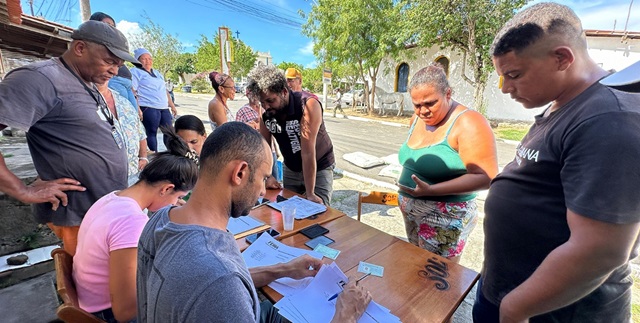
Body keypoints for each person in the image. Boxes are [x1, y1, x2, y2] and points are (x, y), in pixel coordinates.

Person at [473, 3, 640, 322]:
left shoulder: (609, 119)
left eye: (514, 75)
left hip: (552, 312)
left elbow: (600, 250)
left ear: (562, 58)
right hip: (511, 295)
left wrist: (516, 307)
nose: (506, 88)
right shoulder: (567, 105)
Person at [136, 122, 371, 322]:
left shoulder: (159, 219)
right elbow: (220, 283)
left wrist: (282, 270)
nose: (262, 190)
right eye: (263, 178)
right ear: (239, 173)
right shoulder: (221, 281)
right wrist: (345, 316)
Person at [0, 21, 137, 256]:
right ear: (80, 48)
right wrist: (21, 190)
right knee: (95, 288)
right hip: (77, 214)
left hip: (100, 209)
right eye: (110, 61)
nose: (115, 71)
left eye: (120, 64)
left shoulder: (85, 80)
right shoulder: (40, 79)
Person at [74, 129, 198, 323]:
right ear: (166, 188)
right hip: (105, 312)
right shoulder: (132, 221)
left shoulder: (114, 197)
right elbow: (126, 313)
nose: (176, 204)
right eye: (179, 198)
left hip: (89, 298)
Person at [397, 64, 498, 262]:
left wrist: (431, 191)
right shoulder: (416, 119)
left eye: (430, 103)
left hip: (445, 218)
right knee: (416, 266)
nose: (422, 111)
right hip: (413, 213)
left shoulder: (469, 122)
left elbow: (487, 176)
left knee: (437, 275)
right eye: (416, 105)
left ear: (448, 93)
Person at [247, 64, 335, 206]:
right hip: (291, 167)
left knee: (316, 210)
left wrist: (311, 193)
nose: (266, 106)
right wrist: (267, 177)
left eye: (270, 100)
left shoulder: (308, 105)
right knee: (288, 208)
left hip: (318, 165)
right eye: (262, 102)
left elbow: (307, 152)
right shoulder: (266, 115)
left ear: (284, 92)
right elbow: (265, 150)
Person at [95, 79, 148, 186]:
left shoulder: (123, 101)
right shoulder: (80, 102)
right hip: (101, 178)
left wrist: (143, 157)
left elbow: (140, 132)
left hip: (132, 173)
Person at [131, 48, 177, 153]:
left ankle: (172, 154)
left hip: (163, 107)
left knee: (170, 132)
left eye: (149, 58)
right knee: (151, 133)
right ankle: (153, 157)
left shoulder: (157, 73)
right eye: (144, 59)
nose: (148, 61)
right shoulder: (135, 72)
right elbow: (133, 91)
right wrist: (137, 108)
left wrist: (172, 105)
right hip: (148, 106)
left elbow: (164, 91)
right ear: (137, 60)